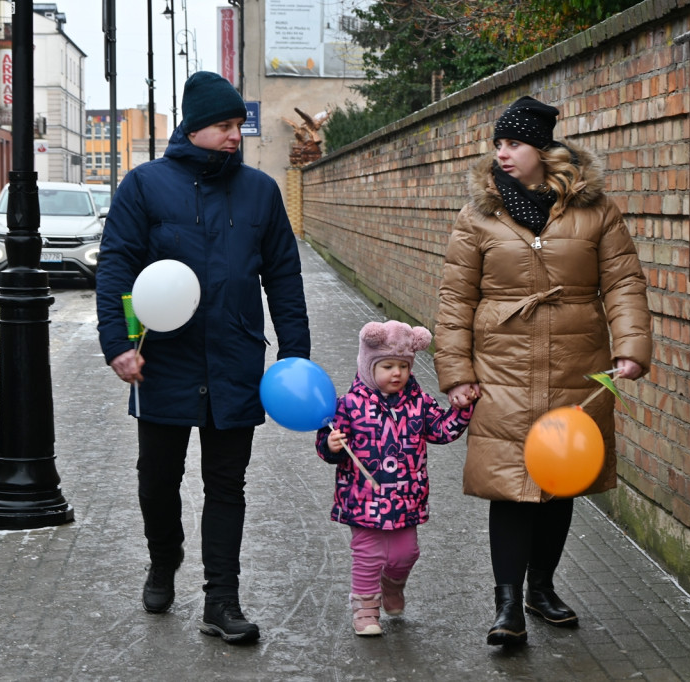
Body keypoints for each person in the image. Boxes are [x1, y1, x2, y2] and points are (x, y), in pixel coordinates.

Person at [95, 72, 310, 645]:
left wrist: (296, 357)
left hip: (235, 357)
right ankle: (164, 559)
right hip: (162, 359)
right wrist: (119, 342)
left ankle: (222, 599)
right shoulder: (144, 186)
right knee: (157, 479)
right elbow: (118, 266)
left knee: (227, 484)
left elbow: (284, 278)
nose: (235, 135)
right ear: (194, 128)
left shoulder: (262, 192)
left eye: (240, 125)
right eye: (224, 125)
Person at [434, 95, 652, 646]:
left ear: (543, 149)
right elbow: (455, 297)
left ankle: (542, 587)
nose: (502, 154)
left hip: (576, 363)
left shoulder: (594, 210)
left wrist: (630, 347)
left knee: (561, 480)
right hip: (501, 367)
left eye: (514, 144)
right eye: (498, 145)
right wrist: (456, 372)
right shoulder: (477, 215)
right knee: (508, 485)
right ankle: (507, 605)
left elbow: (623, 282)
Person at [316, 321, 475, 636]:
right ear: (368, 366)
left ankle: (392, 584)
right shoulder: (348, 405)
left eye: (403, 366)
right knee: (368, 553)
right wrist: (330, 445)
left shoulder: (418, 402)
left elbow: (441, 431)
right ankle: (365, 612)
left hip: (406, 497)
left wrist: (462, 412)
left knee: (406, 553)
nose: (396, 373)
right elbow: (329, 439)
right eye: (387, 366)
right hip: (363, 499)